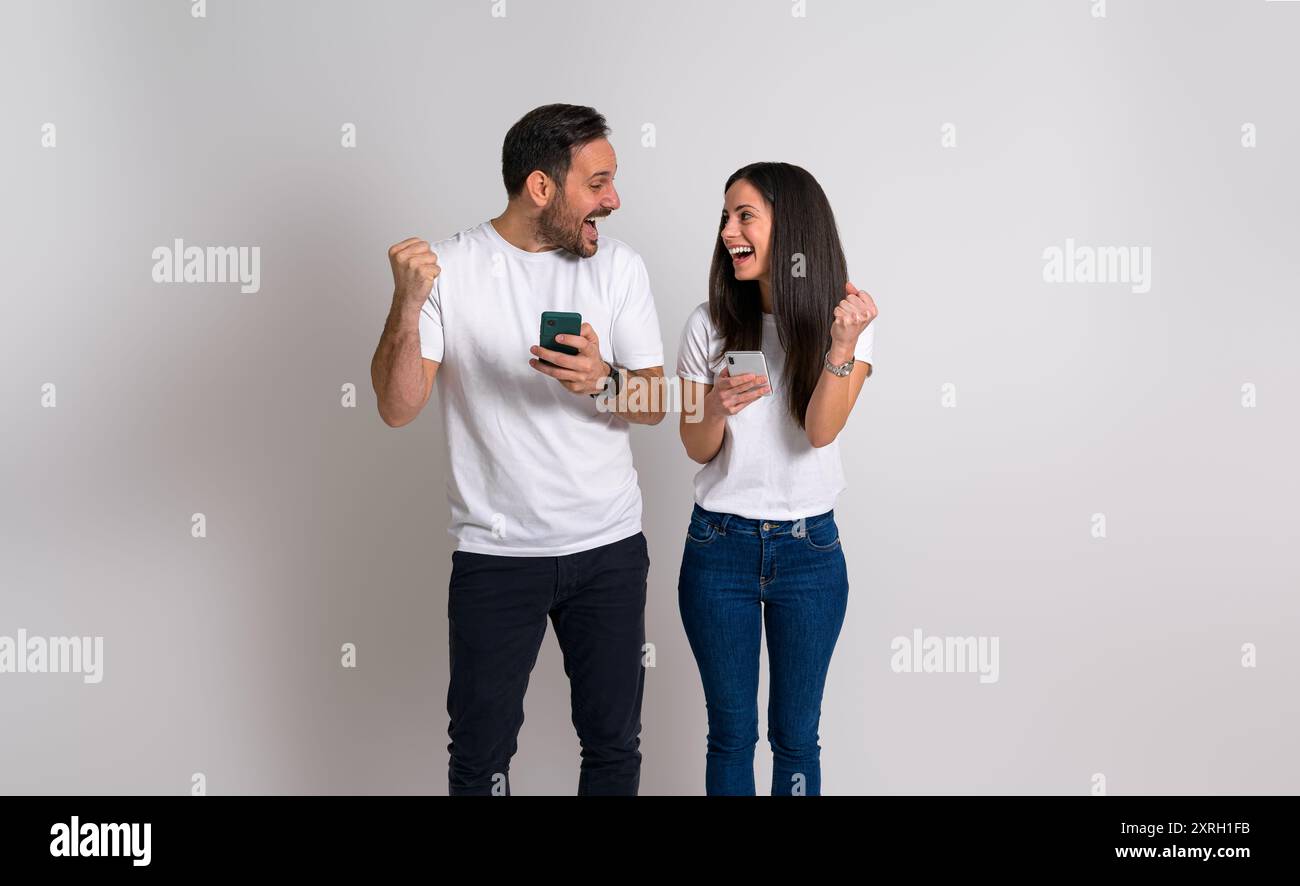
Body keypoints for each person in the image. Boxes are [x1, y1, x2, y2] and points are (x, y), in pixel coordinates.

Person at [370, 104, 666, 796]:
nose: (613, 200)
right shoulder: (451, 269)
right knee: (480, 757)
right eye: (597, 184)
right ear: (541, 187)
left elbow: (657, 403)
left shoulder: (619, 267)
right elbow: (396, 406)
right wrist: (407, 307)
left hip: (609, 551)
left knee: (614, 747)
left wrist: (605, 380)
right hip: (497, 557)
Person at [675, 161, 878, 796]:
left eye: (745, 217)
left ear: (789, 229)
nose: (729, 232)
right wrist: (714, 406)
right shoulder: (707, 324)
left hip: (809, 553)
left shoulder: (845, 325)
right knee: (731, 735)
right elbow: (695, 447)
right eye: (725, 219)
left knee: (797, 737)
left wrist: (840, 351)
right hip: (718, 550)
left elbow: (820, 431)